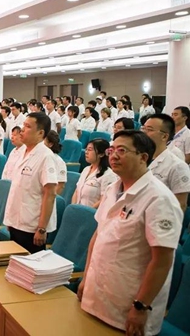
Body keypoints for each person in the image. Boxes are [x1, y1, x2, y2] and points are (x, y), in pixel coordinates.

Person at [78, 130, 182, 336]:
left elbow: (162, 260)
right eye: (112, 150)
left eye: (122, 151)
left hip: (128, 303)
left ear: (143, 157)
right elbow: (98, 237)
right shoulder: (112, 189)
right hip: (96, 293)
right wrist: (86, 277)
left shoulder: (159, 199)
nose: (114, 156)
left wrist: (141, 306)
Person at [3, 112, 58, 253]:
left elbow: (50, 194)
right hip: (16, 221)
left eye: (27, 126)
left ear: (40, 133)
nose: (22, 130)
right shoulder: (22, 152)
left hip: (32, 226)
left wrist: (42, 228)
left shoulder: (46, 156)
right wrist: (10, 219)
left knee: (29, 264)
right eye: (23, 125)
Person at [142, 114, 190, 211]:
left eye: (149, 130)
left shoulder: (177, 166)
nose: (144, 133)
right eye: (143, 129)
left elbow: (180, 205)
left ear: (164, 136)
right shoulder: (140, 158)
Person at [72, 139, 117, 208]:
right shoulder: (86, 169)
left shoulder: (108, 175)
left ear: (101, 154)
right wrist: (73, 208)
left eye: (90, 150)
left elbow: (104, 199)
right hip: (77, 211)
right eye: (86, 149)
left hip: (93, 213)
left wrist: (86, 211)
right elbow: (76, 191)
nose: (86, 152)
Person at [44, 130, 67, 195]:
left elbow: (60, 186)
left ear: (50, 144)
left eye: (43, 140)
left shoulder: (59, 162)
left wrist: (49, 198)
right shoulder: (38, 157)